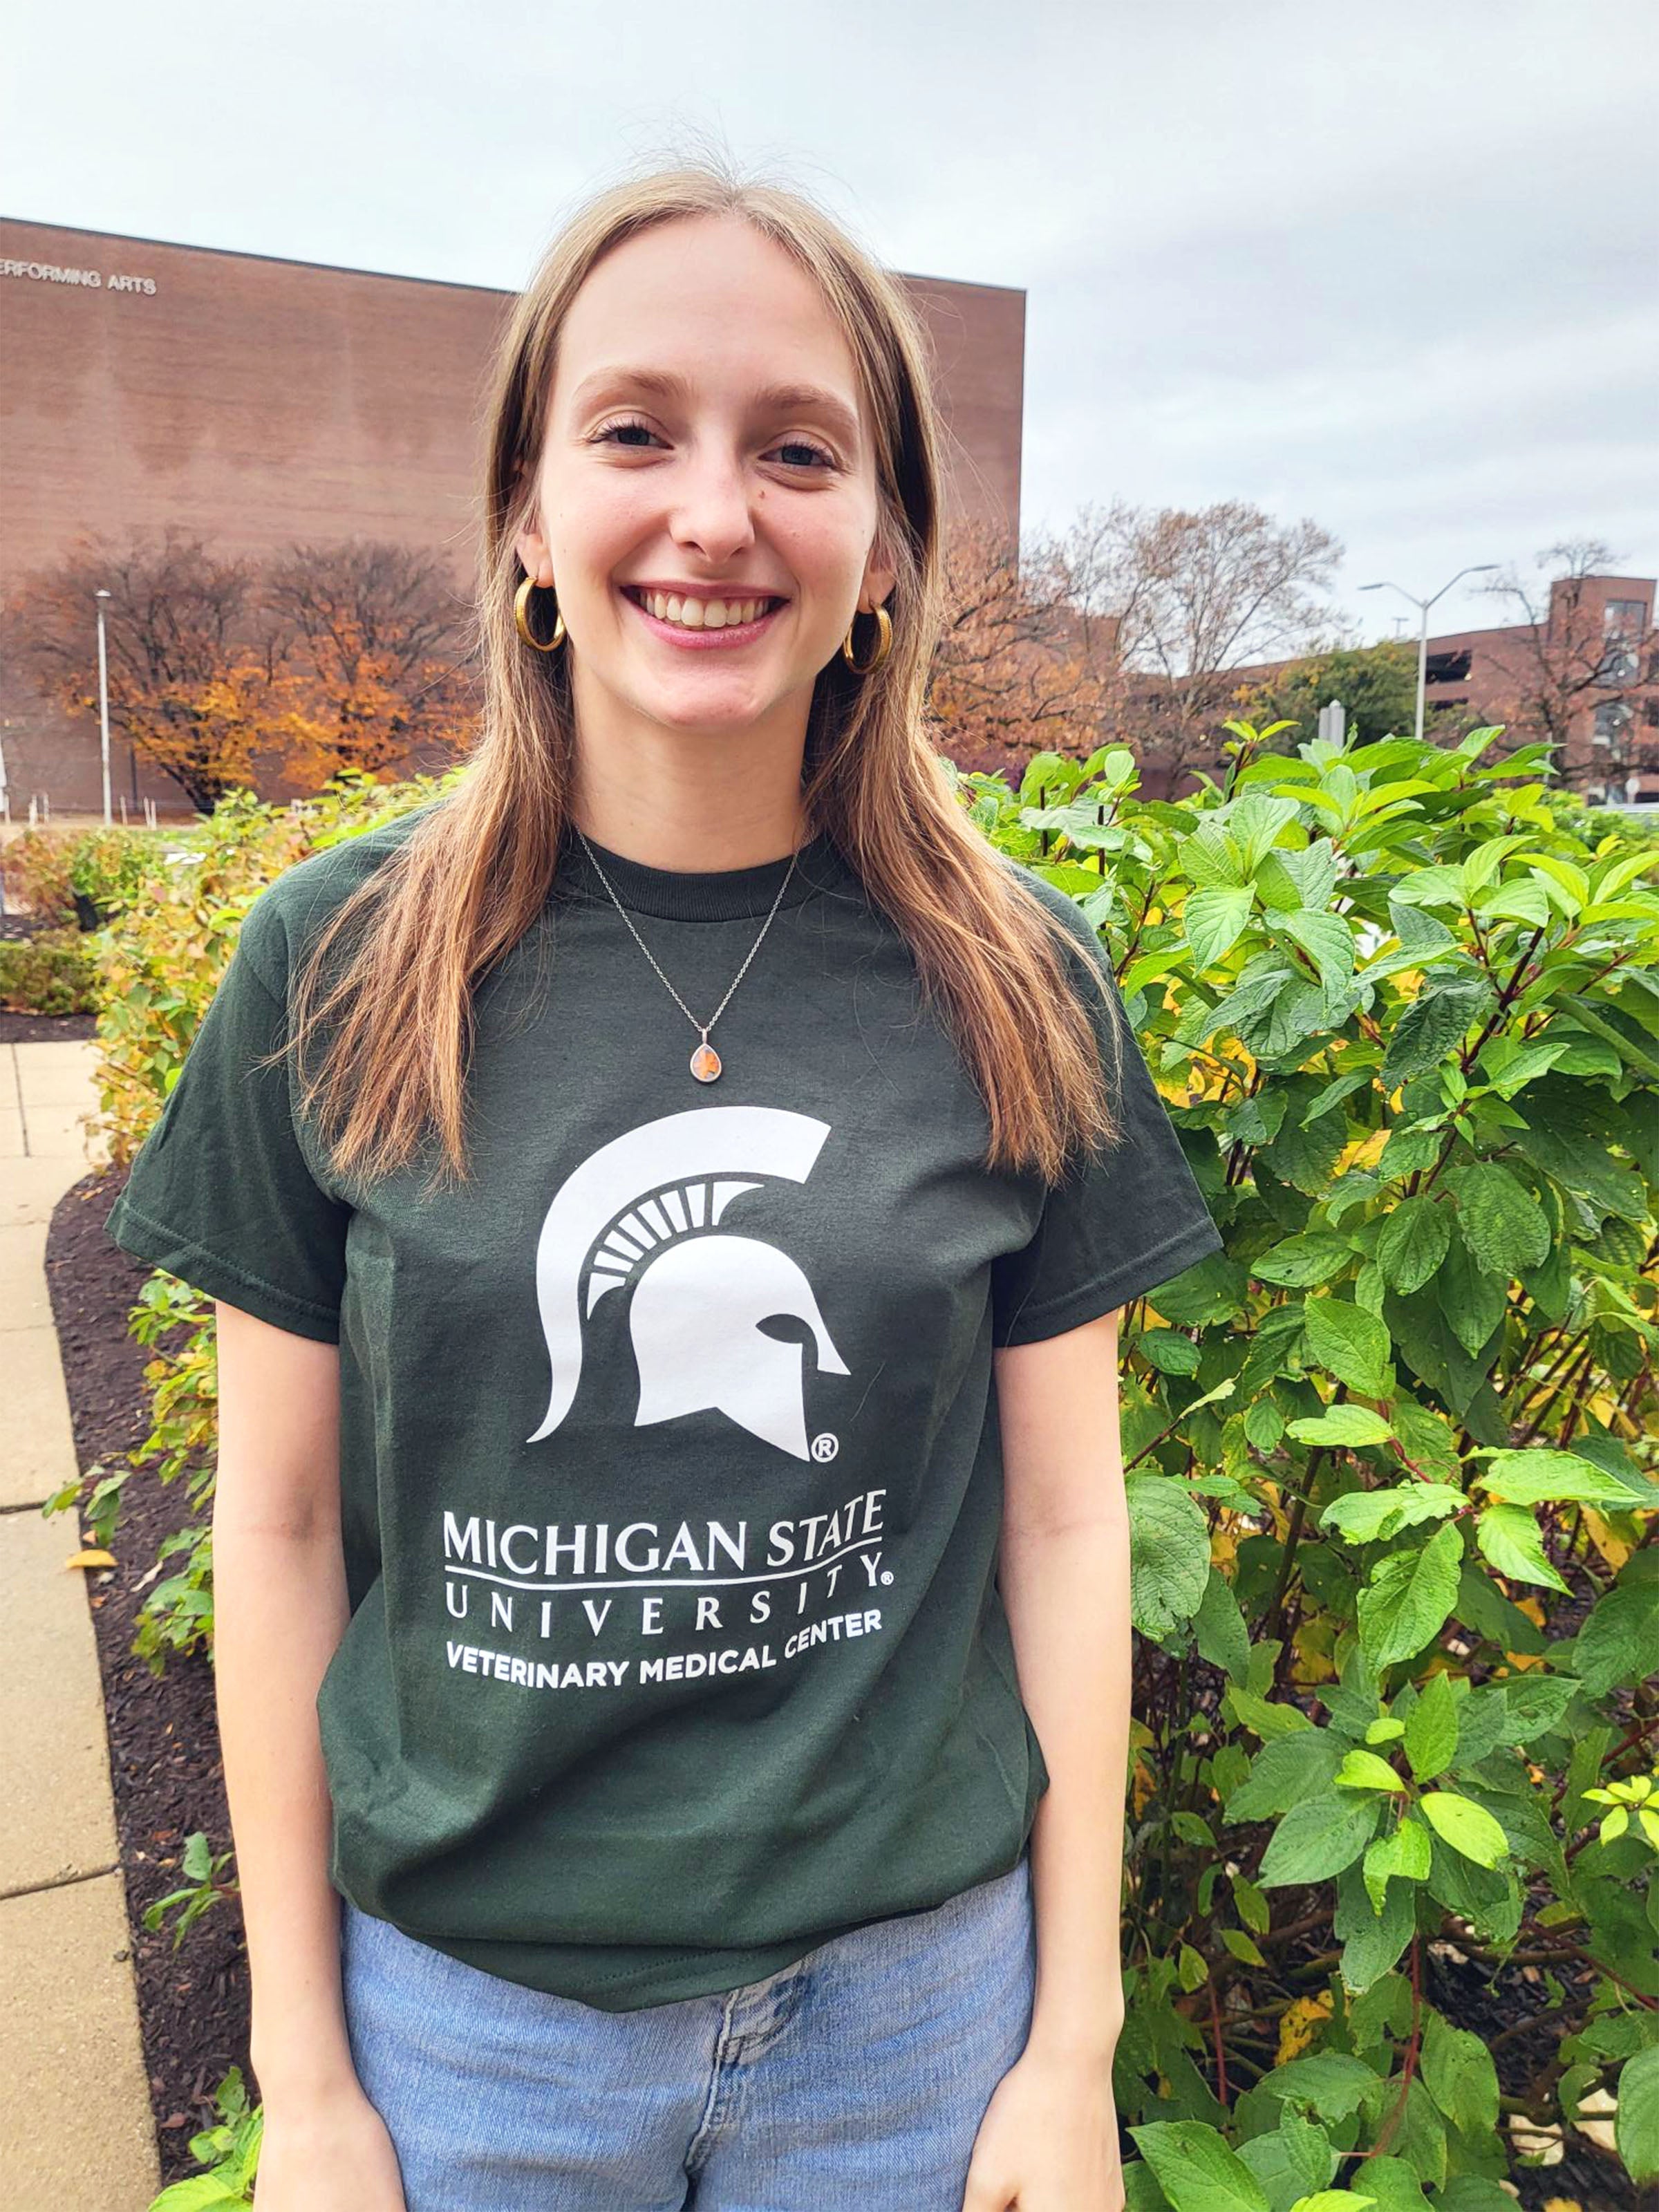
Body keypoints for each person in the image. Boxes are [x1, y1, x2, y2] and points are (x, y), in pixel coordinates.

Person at [105, 156, 1223, 2212]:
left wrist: (1073, 2046)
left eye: (800, 449)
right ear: (528, 514)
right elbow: (267, 1532)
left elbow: (1070, 1522)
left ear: (885, 548)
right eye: (636, 432)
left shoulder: (1014, 976)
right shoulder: (337, 962)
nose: (716, 512)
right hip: (469, 2044)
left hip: (911, 2032)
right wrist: (312, 2086)